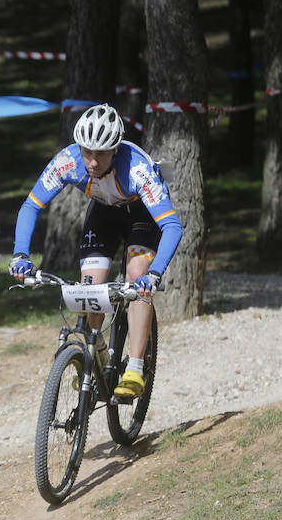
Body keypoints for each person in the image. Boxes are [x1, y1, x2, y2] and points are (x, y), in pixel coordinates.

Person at [10, 103, 183, 399]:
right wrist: (20, 255)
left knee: (136, 276)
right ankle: (97, 353)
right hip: (104, 211)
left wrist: (154, 275)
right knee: (89, 286)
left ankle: (136, 368)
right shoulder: (68, 161)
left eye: (100, 153)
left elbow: (172, 227)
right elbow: (31, 206)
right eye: (86, 151)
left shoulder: (138, 169)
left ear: (115, 149)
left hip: (141, 213)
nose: (91, 161)